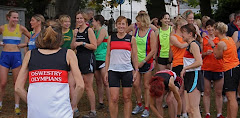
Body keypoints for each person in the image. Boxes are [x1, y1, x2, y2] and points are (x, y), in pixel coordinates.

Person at [15, 20, 84, 118]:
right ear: (60, 36)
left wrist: (31, 102)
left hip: (36, 113)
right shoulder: (68, 54)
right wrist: (73, 105)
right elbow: (80, 86)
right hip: (62, 112)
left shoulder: (30, 55)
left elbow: (18, 88)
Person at [104, 16, 138, 118]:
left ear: (127, 26)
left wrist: (136, 70)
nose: (121, 26)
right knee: (114, 98)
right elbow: (108, 55)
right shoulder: (111, 38)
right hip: (113, 71)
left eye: (123, 24)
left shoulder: (131, 39)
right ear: (116, 25)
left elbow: (135, 55)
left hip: (127, 71)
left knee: (127, 98)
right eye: (119, 24)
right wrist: (106, 71)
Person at [0, 10, 30, 115]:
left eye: (17, 18)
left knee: (16, 83)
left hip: (16, 56)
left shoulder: (21, 28)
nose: (16, 20)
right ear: (8, 18)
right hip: (4, 56)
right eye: (14, 17)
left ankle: (17, 106)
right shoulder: (3, 28)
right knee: (3, 83)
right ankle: (0, 104)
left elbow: (33, 38)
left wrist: (25, 45)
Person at [71, 11, 97, 118]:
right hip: (78, 58)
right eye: (77, 18)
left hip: (88, 58)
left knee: (87, 86)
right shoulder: (76, 31)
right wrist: (74, 37)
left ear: (85, 20)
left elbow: (94, 46)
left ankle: (93, 111)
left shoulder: (89, 30)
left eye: (81, 18)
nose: (79, 20)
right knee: (73, 84)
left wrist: (83, 43)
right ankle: (74, 108)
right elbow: (72, 47)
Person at [132, 12, 157, 117]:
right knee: (136, 84)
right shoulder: (135, 31)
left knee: (147, 86)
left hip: (147, 62)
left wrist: (143, 61)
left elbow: (153, 50)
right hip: (135, 62)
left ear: (143, 21)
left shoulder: (151, 32)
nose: (136, 22)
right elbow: (132, 45)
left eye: (138, 20)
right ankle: (139, 104)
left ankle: (147, 107)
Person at [213, 22, 240, 118]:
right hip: (235, 68)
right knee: (230, 97)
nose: (213, 31)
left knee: (231, 97)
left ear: (217, 30)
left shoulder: (221, 43)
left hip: (230, 69)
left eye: (214, 29)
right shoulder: (230, 39)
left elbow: (217, 56)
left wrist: (213, 46)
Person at [58, 15, 81, 117]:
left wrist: (75, 36)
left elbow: (73, 46)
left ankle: (74, 107)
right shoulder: (58, 33)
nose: (67, 23)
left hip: (71, 59)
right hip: (59, 59)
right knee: (61, 84)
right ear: (61, 23)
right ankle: (62, 103)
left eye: (69, 21)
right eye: (65, 22)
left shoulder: (72, 32)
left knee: (72, 84)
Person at [202, 19, 225, 118]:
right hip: (206, 68)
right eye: (208, 27)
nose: (210, 29)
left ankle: (219, 113)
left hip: (219, 67)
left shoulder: (219, 39)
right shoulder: (203, 39)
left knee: (218, 92)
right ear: (206, 28)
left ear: (215, 28)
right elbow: (199, 55)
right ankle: (207, 113)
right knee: (207, 92)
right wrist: (205, 53)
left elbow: (223, 53)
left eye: (212, 27)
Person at [180, 24, 203, 118]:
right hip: (189, 76)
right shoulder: (190, 45)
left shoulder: (193, 44)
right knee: (189, 109)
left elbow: (199, 62)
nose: (181, 35)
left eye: (183, 33)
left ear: (190, 34)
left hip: (194, 75)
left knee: (194, 109)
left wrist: (185, 68)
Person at [170, 16, 188, 118]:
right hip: (178, 65)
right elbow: (180, 46)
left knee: (184, 90)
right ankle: (178, 112)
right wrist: (190, 41)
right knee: (178, 91)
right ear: (179, 26)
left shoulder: (185, 37)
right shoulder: (173, 37)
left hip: (186, 64)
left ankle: (184, 112)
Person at [92, 14, 110, 110]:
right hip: (95, 58)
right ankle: (101, 102)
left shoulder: (103, 30)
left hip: (102, 58)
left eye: (93, 21)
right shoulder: (94, 31)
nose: (92, 23)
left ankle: (111, 102)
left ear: (98, 22)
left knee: (105, 82)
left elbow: (97, 43)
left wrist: (89, 43)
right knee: (98, 82)